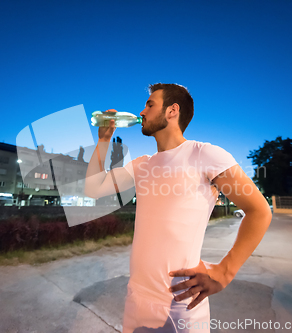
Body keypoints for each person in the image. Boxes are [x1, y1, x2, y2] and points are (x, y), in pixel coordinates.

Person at [84, 83, 272, 332]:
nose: (142, 112)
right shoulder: (143, 165)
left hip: (179, 306)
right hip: (137, 300)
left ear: (172, 110)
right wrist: (104, 141)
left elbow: (259, 211)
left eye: (150, 105)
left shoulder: (204, 154)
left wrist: (224, 272)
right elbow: (93, 188)